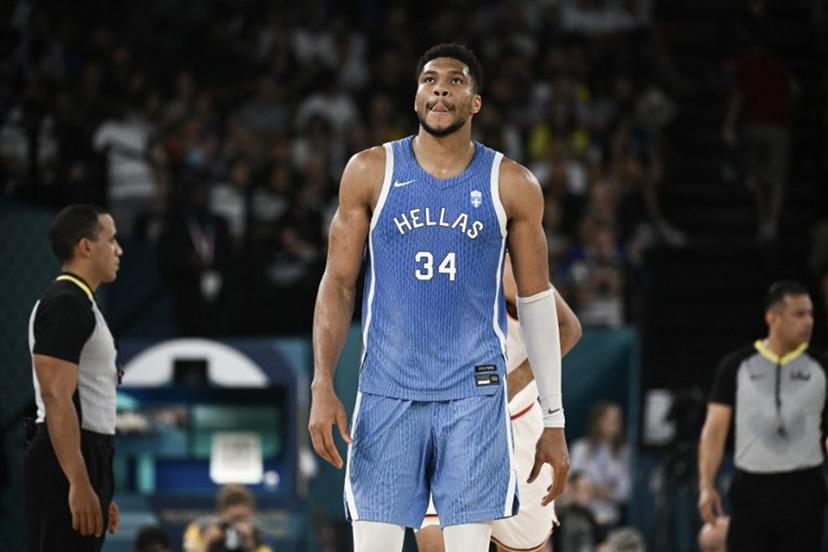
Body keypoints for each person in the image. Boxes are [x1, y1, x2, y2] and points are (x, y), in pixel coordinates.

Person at [309, 43, 570, 552]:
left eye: (455, 81)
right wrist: (322, 382)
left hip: (475, 400)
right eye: (430, 80)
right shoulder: (370, 170)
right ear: (416, 97)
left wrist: (554, 421)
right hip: (387, 393)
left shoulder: (512, 183)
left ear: (475, 101)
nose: (440, 90)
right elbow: (337, 283)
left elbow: (539, 304)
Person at [416, 254, 582, 551]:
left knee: (525, 546)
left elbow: (568, 327)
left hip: (515, 424)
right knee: (435, 544)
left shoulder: (505, 267)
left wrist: (516, 381)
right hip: (448, 424)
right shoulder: (421, 258)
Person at [698, 281, 826, 551]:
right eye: (799, 314)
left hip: (804, 487)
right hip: (752, 488)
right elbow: (715, 430)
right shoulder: (737, 365)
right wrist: (706, 485)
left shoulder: (821, 366)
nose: (809, 322)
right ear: (772, 318)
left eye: (811, 314)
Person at [25, 204, 123, 552]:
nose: (119, 250)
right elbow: (56, 396)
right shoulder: (65, 303)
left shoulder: (80, 301)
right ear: (86, 247)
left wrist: (97, 487)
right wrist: (78, 482)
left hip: (84, 456)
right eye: (111, 240)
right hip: (66, 458)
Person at [569, 401, 630, 528]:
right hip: (581, 518)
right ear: (597, 421)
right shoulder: (580, 448)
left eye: (617, 420)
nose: (614, 424)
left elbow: (624, 492)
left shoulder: (624, 453)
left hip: (610, 519)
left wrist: (591, 490)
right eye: (609, 419)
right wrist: (604, 491)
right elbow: (572, 485)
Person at [182, 484, 273, 552]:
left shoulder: (261, 534)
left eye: (242, 503)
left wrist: (249, 541)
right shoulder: (198, 527)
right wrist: (207, 540)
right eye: (232, 503)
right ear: (221, 511)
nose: (237, 509)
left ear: (250, 510)